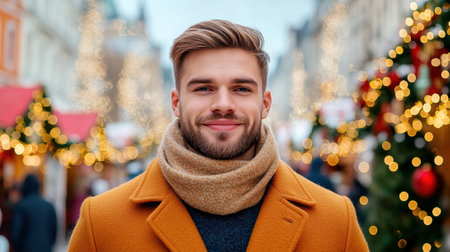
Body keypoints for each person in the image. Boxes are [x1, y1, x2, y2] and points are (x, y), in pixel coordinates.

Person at [68, 19, 369, 251]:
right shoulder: (103, 222)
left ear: (264, 104)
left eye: (241, 89)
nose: (223, 104)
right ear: (176, 102)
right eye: (203, 88)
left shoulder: (335, 221)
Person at [11, 174, 57, 252]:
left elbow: (15, 233)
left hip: (25, 249)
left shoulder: (21, 206)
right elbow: (54, 230)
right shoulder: (49, 206)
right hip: (45, 248)